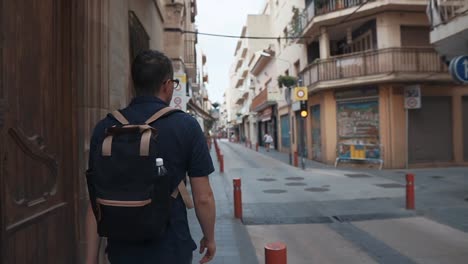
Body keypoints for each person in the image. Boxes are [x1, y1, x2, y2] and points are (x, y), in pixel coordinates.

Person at [85, 50, 216, 264]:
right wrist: (209, 238)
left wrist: (90, 260)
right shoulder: (186, 126)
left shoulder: (105, 127)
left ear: (133, 83)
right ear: (167, 85)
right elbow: (204, 197)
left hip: (121, 250)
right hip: (172, 248)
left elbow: (94, 202)